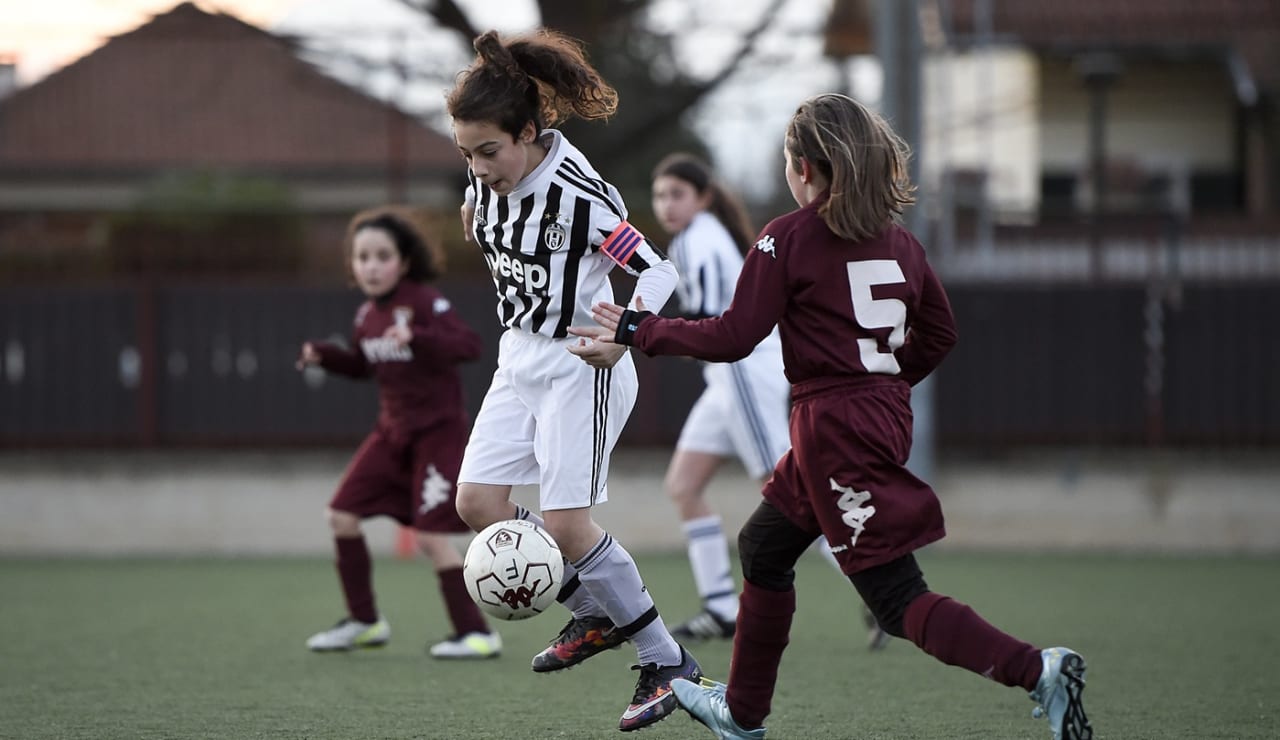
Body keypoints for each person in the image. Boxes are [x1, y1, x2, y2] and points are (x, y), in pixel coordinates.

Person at [571, 94, 1093, 740]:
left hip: (834, 428)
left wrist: (640, 329)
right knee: (763, 548)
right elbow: (940, 334)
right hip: (868, 415)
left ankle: (1036, 670)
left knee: (898, 601)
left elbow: (735, 335)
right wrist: (882, 386)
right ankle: (742, 714)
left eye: (790, 162)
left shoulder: (785, 237)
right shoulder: (900, 242)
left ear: (805, 170)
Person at [444, 29, 701, 733]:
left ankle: (667, 659)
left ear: (528, 133)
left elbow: (657, 270)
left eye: (488, 152)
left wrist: (626, 335)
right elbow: (484, 189)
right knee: (475, 503)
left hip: (578, 362)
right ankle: (591, 610)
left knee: (564, 524)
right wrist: (474, 198)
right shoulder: (485, 170)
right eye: (466, 153)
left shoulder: (580, 197)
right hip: (517, 355)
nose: (477, 166)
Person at [648, 152, 888, 649]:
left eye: (677, 194)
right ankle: (719, 608)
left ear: (703, 198)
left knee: (789, 494)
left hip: (742, 373)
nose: (666, 205)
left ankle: (879, 591)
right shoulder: (699, 237)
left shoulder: (697, 240)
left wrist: (637, 333)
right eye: (660, 195)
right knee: (684, 484)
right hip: (727, 378)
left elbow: (710, 318)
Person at [297, 205, 501, 660]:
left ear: (404, 262)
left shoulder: (425, 303)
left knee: (431, 537)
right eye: (361, 256)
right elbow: (362, 366)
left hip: (437, 434)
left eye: (381, 255)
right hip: (391, 435)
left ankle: (476, 633)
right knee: (341, 516)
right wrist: (325, 356)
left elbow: (469, 346)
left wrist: (422, 337)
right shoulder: (367, 315)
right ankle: (365, 623)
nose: (370, 265)